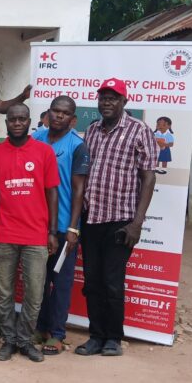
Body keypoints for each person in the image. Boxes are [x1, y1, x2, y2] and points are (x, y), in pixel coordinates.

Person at [76, 78, 158, 357]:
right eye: (103, 98)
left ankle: (113, 338)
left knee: (112, 282)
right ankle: (95, 336)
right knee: (92, 281)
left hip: (121, 221)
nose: (106, 103)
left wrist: (137, 223)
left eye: (113, 98)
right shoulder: (92, 130)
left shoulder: (139, 130)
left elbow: (148, 178)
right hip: (91, 218)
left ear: (124, 101)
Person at [0, 103, 59, 363]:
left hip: (36, 235)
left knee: (34, 293)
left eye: (22, 119)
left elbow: (52, 192)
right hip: (4, 233)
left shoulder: (44, 152)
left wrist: (52, 231)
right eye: (12, 119)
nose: (17, 123)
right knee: (4, 292)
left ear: (30, 122)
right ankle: (8, 340)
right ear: (6, 123)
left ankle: (25, 340)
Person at [32, 96, 90, 355]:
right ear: (48, 114)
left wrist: (73, 228)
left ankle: (57, 334)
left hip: (65, 226)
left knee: (61, 281)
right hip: (36, 224)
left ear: (72, 119)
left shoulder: (77, 146)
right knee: (39, 280)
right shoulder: (36, 139)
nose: (58, 116)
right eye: (55, 111)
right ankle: (40, 327)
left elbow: (79, 190)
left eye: (64, 113)